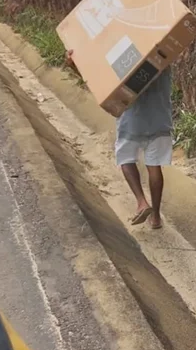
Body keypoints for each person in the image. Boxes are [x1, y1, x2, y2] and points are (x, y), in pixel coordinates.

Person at [66, 50, 171, 229]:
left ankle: (141, 202)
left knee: (126, 159)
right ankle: (155, 218)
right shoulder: (164, 57)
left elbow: (102, 85)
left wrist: (76, 66)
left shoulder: (123, 60)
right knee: (154, 166)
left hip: (131, 119)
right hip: (160, 118)